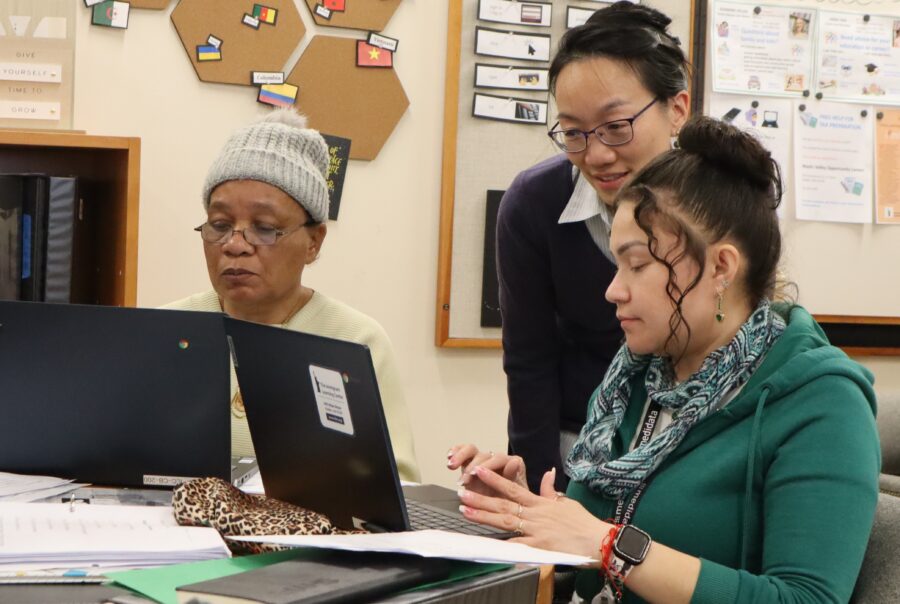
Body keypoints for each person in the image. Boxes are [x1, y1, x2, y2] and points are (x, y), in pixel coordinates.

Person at [449, 116, 880, 603]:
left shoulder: (823, 403)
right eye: (617, 265)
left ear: (721, 267)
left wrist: (610, 546)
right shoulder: (637, 378)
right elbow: (598, 549)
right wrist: (529, 510)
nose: (614, 290)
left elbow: (807, 599)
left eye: (638, 264)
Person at [165, 109, 420, 482]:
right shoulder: (166, 330)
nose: (235, 245)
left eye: (265, 228)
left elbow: (397, 486)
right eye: (219, 225)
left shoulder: (355, 341)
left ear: (313, 242)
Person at [498, 1, 689, 493]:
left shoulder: (725, 206)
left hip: (694, 447)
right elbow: (529, 362)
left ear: (677, 110)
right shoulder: (533, 205)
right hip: (577, 446)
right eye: (573, 133)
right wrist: (541, 499)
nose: (598, 154)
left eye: (616, 126)